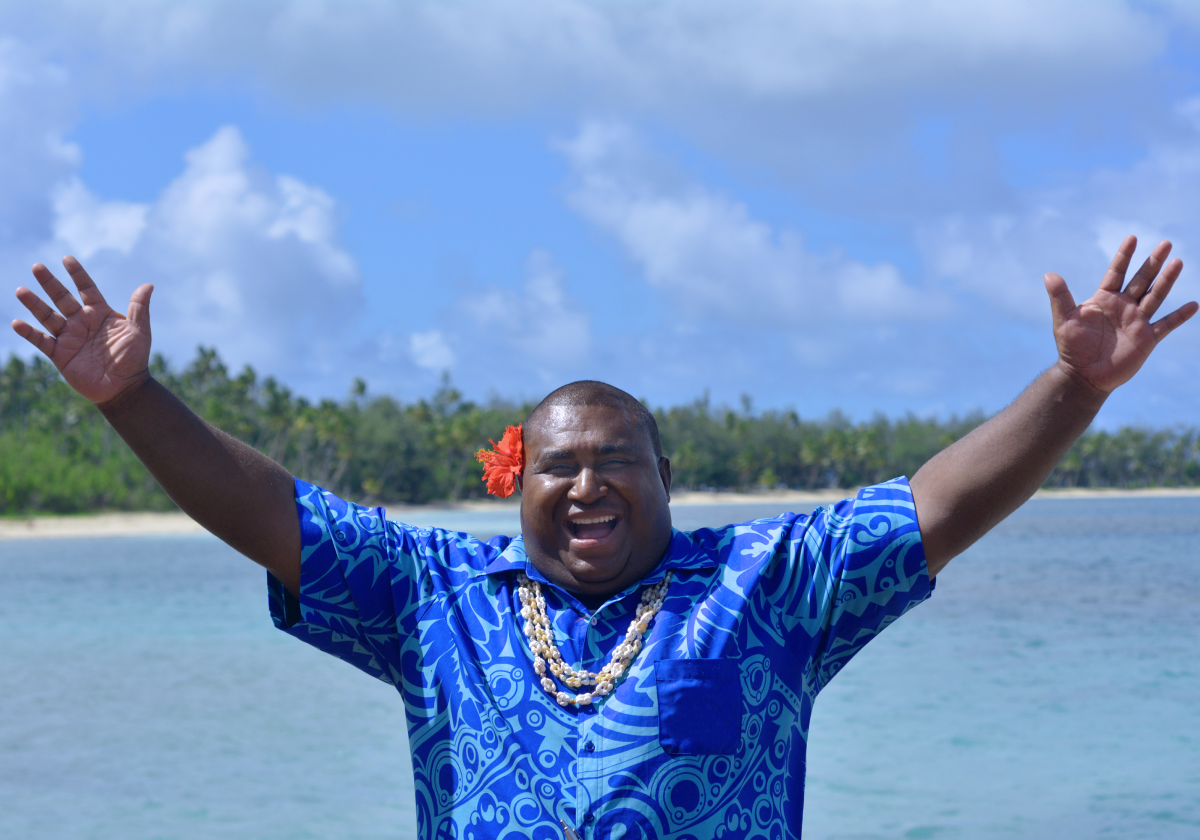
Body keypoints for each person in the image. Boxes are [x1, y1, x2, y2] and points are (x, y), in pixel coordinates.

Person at [10, 236, 1196, 839]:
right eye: (560, 465)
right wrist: (130, 403)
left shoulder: (767, 586)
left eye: (617, 461)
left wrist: (1075, 392)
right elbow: (274, 516)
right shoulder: (438, 596)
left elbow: (936, 504)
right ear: (515, 483)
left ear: (665, 479)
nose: (588, 485)